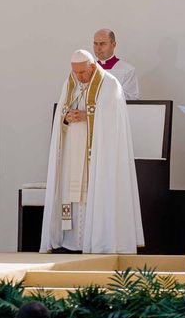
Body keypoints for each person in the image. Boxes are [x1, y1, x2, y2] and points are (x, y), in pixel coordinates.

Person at [40, 50, 143, 254]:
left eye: (83, 72)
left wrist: (87, 115)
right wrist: (67, 117)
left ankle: (98, 240)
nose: (79, 77)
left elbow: (113, 118)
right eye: (75, 72)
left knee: (96, 190)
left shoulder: (110, 84)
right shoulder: (70, 83)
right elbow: (61, 112)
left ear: (93, 67)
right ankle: (72, 241)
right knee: (73, 191)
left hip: (98, 153)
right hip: (73, 151)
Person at [92, 28, 138, 100]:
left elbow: (131, 99)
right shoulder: (87, 69)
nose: (98, 48)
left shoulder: (127, 70)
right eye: (95, 44)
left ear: (113, 45)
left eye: (102, 44)